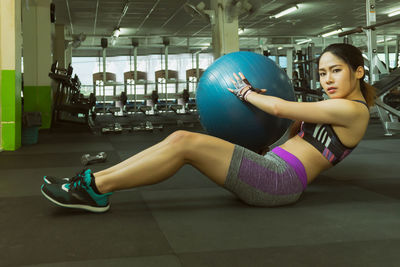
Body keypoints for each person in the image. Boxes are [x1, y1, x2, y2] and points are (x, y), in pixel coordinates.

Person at [41, 43, 376, 213]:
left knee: (186, 142)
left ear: (358, 72)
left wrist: (246, 94)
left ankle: (94, 190)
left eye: (336, 71)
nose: (327, 79)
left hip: (280, 182)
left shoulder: (353, 110)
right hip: (272, 164)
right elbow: (291, 131)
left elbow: (277, 108)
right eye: (322, 73)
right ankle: (89, 183)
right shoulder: (333, 107)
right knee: (178, 137)